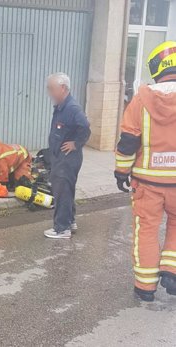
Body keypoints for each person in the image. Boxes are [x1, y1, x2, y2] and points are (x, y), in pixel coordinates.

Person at [115, 41, 176, 302]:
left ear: (156, 67)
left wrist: (121, 171)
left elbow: (128, 141)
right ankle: (172, 275)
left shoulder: (141, 99)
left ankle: (145, 288)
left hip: (148, 183)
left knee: (147, 230)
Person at [44, 73, 90, 239]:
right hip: (61, 157)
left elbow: (85, 126)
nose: (49, 92)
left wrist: (76, 144)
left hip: (67, 159)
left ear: (63, 88)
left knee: (62, 191)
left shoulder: (72, 108)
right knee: (66, 190)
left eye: (51, 89)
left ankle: (62, 229)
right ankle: (69, 221)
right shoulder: (61, 106)